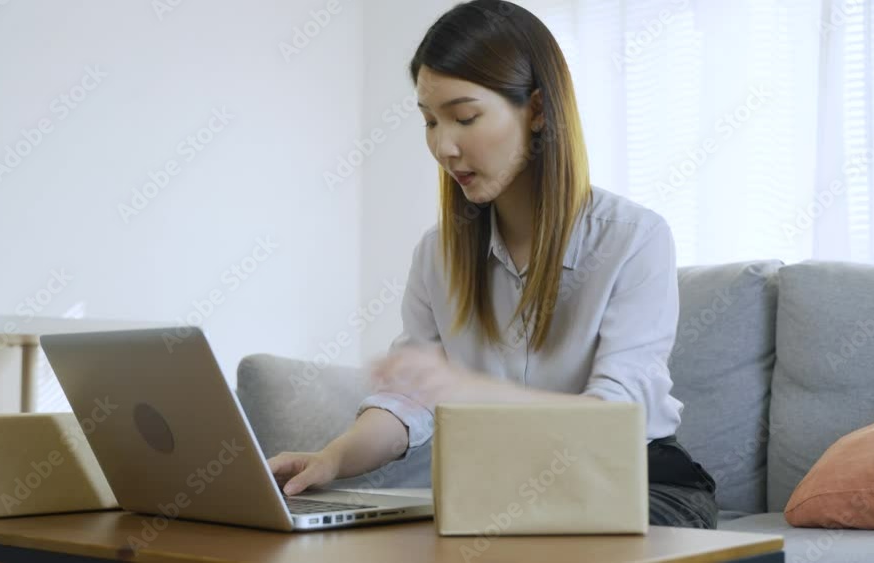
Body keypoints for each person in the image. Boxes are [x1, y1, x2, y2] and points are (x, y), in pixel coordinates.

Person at [268, 0, 718, 529]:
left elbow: (613, 419)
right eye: (430, 121)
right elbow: (407, 402)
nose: (443, 145)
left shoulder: (634, 239)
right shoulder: (438, 254)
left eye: (464, 117)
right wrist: (331, 461)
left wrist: (460, 389)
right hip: (504, 494)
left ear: (538, 111)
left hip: (640, 485)